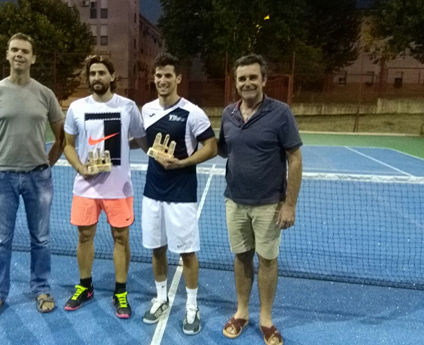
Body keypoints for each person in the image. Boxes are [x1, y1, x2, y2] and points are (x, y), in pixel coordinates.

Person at [0, 33, 64, 319]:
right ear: (8, 55)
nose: (19, 54)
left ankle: (42, 289)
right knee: (1, 241)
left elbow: (61, 138)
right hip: (2, 179)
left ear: (33, 58)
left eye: (25, 50)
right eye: (14, 50)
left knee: (42, 240)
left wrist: (45, 164)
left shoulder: (45, 94)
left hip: (38, 178)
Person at [218, 54, 303, 345]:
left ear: (264, 80)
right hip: (235, 201)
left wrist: (290, 203)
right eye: (242, 78)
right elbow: (220, 148)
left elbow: (295, 158)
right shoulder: (228, 114)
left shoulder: (281, 114)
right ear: (236, 83)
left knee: (267, 259)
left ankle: (266, 318)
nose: (247, 83)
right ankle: (242, 312)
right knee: (242, 258)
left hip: (270, 203)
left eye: (253, 77)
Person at [139, 53, 217, 335]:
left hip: (181, 194)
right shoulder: (146, 109)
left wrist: (182, 163)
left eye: (167, 75)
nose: (162, 80)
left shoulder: (192, 112)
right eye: (158, 75)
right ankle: (161, 298)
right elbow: (142, 141)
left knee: (186, 253)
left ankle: (192, 306)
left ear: (178, 78)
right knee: (157, 248)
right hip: (152, 193)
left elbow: (211, 147)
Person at [63, 55, 146, 319]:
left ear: (112, 77)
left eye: (101, 73)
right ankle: (85, 286)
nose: (96, 77)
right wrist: (81, 168)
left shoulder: (128, 106)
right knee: (84, 237)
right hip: (85, 188)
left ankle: (120, 291)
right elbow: (67, 144)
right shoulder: (76, 108)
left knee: (121, 239)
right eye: (92, 73)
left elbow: (143, 141)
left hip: (119, 188)